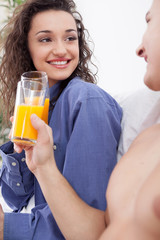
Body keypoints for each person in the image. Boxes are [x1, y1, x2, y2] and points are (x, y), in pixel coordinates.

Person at [7, 0, 160, 239]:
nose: (61, 50)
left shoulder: (86, 101)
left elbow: (84, 221)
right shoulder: (36, 107)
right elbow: (18, 199)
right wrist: (19, 153)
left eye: (70, 38)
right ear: (26, 48)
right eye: (46, 39)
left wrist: (8, 227)